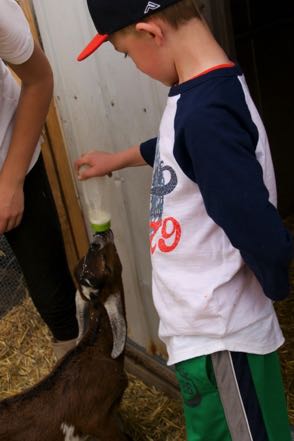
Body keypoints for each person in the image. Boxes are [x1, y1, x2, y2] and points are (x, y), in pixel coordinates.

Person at [75, 0, 293, 439]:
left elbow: (257, 228)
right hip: (200, 332)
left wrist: (275, 284)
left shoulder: (206, 115)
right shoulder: (199, 93)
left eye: (125, 52)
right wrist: (117, 158)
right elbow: (174, 148)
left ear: (152, 32)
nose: (133, 65)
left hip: (225, 338)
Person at [0, 0, 79, 359]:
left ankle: (82, 402)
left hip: (12, 164)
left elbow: (39, 78)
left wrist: (11, 182)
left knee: (54, 298)